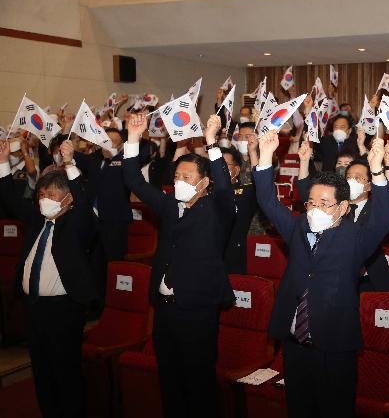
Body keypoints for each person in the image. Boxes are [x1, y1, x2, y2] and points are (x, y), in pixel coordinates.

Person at [253, 131, 389, 418]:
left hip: (334, 347)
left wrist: (379, 169)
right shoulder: (297, 227)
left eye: (324, 203)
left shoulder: (356, 238)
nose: (315, 209)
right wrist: (266, 156)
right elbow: (268, 202)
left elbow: (383, 216)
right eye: (311, 203)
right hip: (295, 344)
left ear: (343, 208)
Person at [123, 113, 236, 417]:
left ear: (204, 182)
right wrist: (133, 138)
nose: (180, 182)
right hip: (164, 309)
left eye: (187, 178)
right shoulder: (167, 206)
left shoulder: (218, 210)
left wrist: (211, 142)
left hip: (197, 309)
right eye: (177, 178)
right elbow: (133, 180)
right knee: (169, 379)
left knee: (198, 383)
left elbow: (225, 188)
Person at [0, 138, 100, 417]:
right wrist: (3, 161)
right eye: (42, 195)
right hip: (33, 307)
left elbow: (83, 199)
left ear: (68, 199)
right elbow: (8, 196)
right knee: (41, 370)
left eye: (53, 196)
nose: (45, 200)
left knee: (65, 372)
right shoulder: (37, 222)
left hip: (63, 308)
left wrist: (69, 163)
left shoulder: (77, 224)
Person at [296, 137, 389, 292]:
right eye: (349, 177)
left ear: (369, 186)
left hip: (370, 280)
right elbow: (308, 194)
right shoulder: (335, 206)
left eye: (358, 178)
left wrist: (386, 164)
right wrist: (304, 162)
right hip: (337, 280)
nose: (352, 180)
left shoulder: (376, 209)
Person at [73, 127, 151, 262]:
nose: (109, 144)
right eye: (106, 141)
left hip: (115, 221)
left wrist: (138, 135)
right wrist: (67, 134)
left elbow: (144, 155)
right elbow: (70, 154)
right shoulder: (93, 159)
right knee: (90, 260)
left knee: (113, 262)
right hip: (91, 219)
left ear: (121, 145)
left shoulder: (127, 161)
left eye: (113, 142)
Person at [221, 146, 257, 275]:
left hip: (233, 257)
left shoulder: (246, 192)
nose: (218, 169)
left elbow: (262, 183)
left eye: (224, 165)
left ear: (236, 170)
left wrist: (253, 152)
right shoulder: (204, 192)